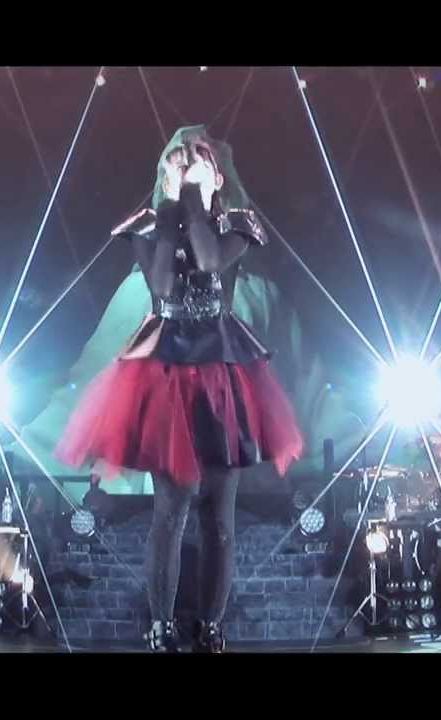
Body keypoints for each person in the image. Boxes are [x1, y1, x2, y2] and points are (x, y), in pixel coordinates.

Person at [56, 127, 304, 652]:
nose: (186, 166)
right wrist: (173, 208)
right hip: (166, 370)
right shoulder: (147, 226)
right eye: (177, 160)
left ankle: (211, 629)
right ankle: (161, 627)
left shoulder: (237, 224)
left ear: (218, 175)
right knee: (170, 511)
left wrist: (194, 200)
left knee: (219, 517)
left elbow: (210, 260)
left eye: (198, 160)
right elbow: (163, 284)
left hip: (222, 372)